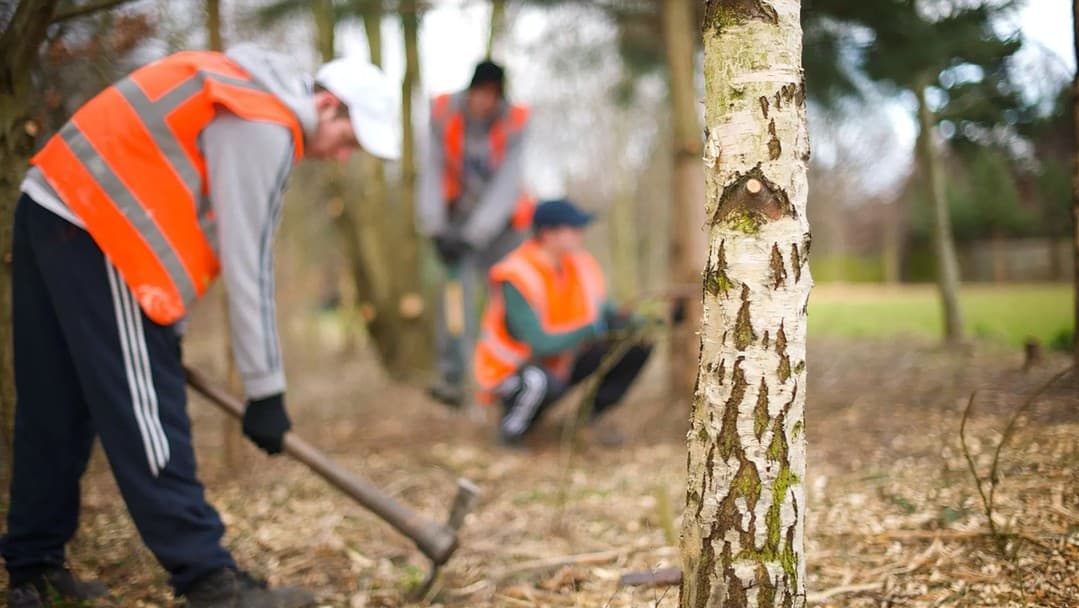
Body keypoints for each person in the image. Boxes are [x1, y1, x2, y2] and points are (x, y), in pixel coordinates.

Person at [1, 44, 400, 608]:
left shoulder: (237, 86)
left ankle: (34, 567)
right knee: (151, 416)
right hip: (101, 226)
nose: (340, 156)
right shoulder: (264, 122)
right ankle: (209, 581)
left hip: (52, 201)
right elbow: (248, 259)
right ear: (329, 105)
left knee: (55, 404)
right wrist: (265, 390)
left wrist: (169, 324)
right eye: (349, 140)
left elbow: (184, 219)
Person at [473, 199, 653, 447]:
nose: (581, 234)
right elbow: (540, 344)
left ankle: (586, 421)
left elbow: (603, 308)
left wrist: (639, 322)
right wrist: (591, 329)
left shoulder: (579, 265)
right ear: (549, 234)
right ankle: (511, 431)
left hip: (562, 365)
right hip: (513, 374)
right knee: (536, 381)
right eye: (574, 228)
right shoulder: (516, 275)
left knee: (635, 346)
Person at [418, 59, 535, 408]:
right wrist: (435, 227)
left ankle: (515, 377)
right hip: (455, 222)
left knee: (511, 297)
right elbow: (431, 170)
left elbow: (506, 185)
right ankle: (454, 380)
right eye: (480, 93)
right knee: (454, 298)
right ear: (470, 91)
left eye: (492, 95)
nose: (485, 101)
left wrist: (475, 234)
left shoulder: (515, 121)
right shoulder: (443, 112)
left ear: (500, 98)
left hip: (503, 226)